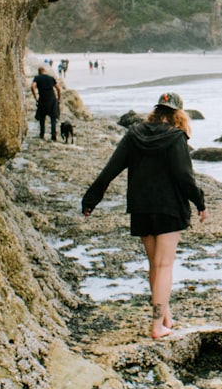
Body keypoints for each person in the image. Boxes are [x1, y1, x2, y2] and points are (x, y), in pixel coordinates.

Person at [81, 92, 207, 339]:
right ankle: (157, 326)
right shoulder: (176, 137)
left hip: (140, 207)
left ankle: (165, 316)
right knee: (164, 266)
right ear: (178, 114)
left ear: (156, 111)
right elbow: (184, 176)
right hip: (169, 209)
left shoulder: (134, 134)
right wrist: (199, 202)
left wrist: (91, 199)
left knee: (155, 265)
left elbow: (111, 168)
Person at [31, 66, 61, 141]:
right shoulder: (51, 78)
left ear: (39, 72)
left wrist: (35, 97)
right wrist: (59, 99)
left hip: (42, 99)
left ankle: (42, 134)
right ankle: (53, 135)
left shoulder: (37, 78)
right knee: (53, 118)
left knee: (42, 118)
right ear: (45, 71)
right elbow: (58, 89)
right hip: (52, 99)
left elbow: (32, 87)